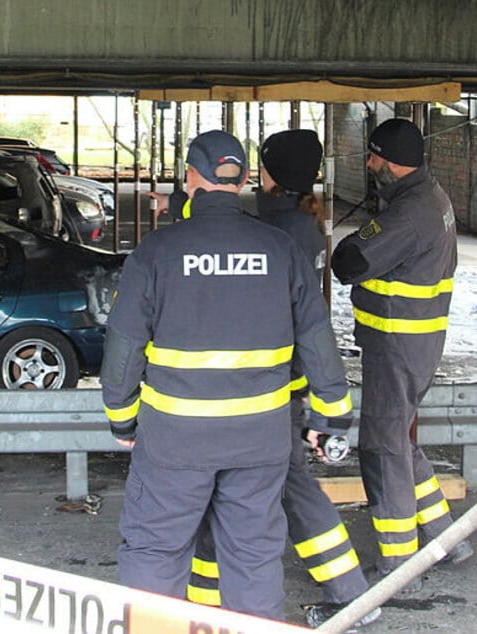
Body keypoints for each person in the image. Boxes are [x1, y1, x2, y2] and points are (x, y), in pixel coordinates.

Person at [102, 130, 353, 622]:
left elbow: (125, 345)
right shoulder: (278, 248)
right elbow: (318, 340)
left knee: (155, 552)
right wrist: (333, 416)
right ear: (239, 181)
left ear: (192, 177)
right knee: (254, 557)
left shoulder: (158, 251)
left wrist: (122, 420)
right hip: (259, 440)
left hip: (176, 441)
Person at [183, 129, 378, 629]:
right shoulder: (297, 221)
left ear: (270, 175)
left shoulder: (278, 230)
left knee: (289, 489)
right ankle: (204, 602)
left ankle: (353, 597)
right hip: (284, 377)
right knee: (251, 489)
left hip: (274, 385)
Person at [331, 118, 473, 588]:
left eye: (372, 159)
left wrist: (352, 239)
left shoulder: (409, 215)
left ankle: (398, 563)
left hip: (396, 345)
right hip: (414, 343)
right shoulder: (429, 194)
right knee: (400, 440)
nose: (369, 167)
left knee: (382, 446)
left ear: (389, 162)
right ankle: (444, 536)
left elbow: (350, 262)